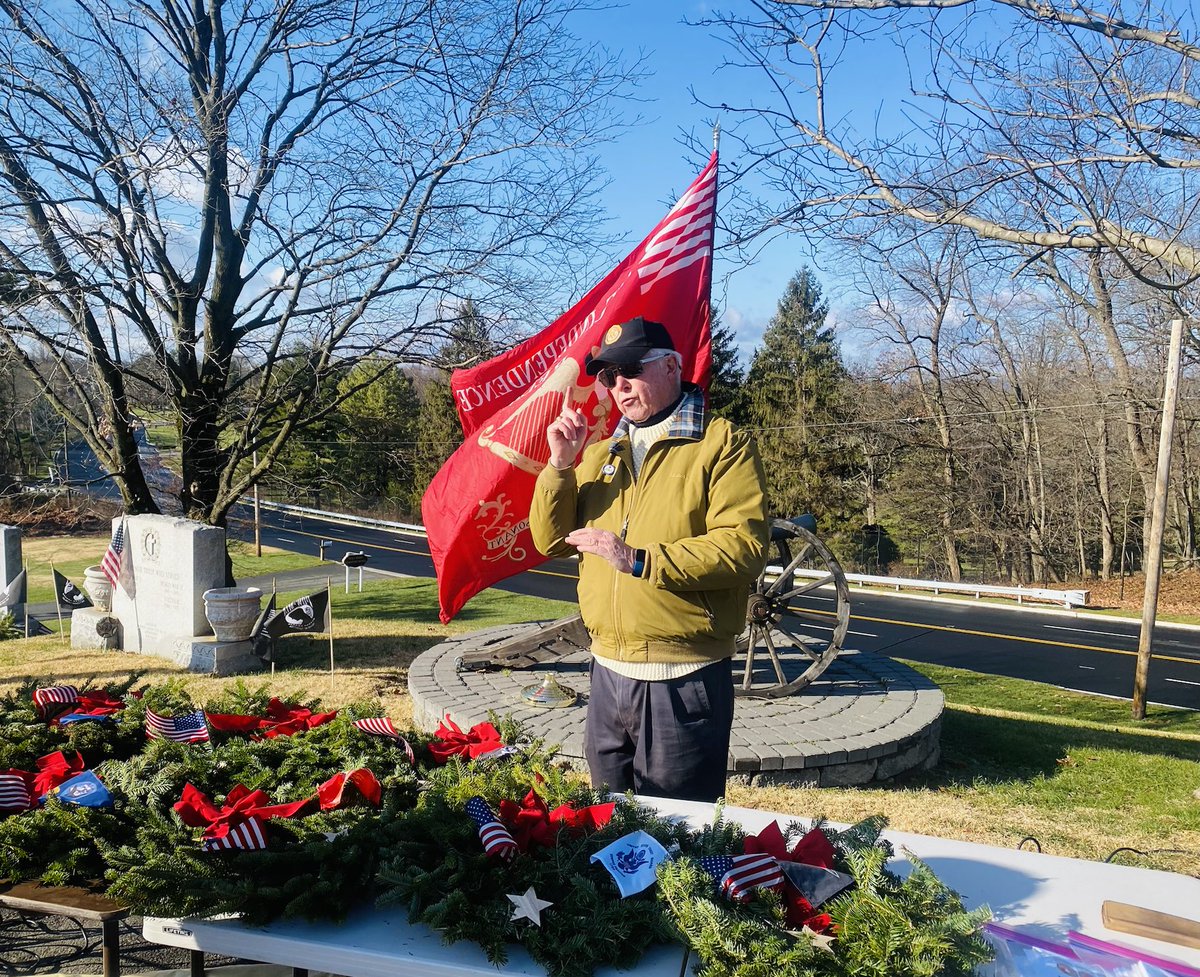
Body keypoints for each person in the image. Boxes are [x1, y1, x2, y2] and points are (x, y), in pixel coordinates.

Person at [529, 316, 768, 802]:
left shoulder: (723, 444)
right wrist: (560, 465)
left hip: (683, 679)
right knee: (605, 822)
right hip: (607, 673)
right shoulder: (600, 454)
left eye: (630, 370)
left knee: (677, 830)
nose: (618, 386)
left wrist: (639, 560)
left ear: (671, 367)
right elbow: (550, 541)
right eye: (607, 376)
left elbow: (744, 547)